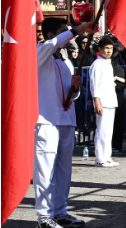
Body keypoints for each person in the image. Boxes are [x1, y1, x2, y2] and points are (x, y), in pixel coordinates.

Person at [33, 18, 95, 228]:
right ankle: (44, 216)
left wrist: (75, 88)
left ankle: (60, 212)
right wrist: (77, 30)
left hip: (66, 121)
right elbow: (51, 46)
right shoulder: (41, 52)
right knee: (45, 170)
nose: (68, 36)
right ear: (51, 35)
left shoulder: (65, 61)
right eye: (63, 32)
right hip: (46, 121)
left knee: (64, 170)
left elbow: (71, 94)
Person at [90, 36, 119, 168]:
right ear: (100, 49)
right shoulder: (97, 64)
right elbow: (94, 85)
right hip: (102, 101)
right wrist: (97, 102)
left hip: (110, 100)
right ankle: (100, 157)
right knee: (101, 130)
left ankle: (107, 156)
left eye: (111, 48)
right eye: (106, 48)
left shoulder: (108, 63)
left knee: (108, 131)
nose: (109, 51)